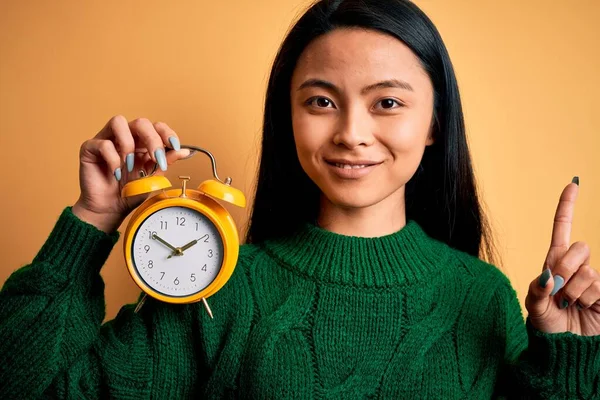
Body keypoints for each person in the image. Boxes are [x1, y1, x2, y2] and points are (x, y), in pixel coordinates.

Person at [1, 0, 598, 398]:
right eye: (321, 101)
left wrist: (573, 353)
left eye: (387, 102)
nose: (351, 133)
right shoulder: (218, 290)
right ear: (287, 117)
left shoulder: (483, 299)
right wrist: (91, 221)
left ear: (436, 123)